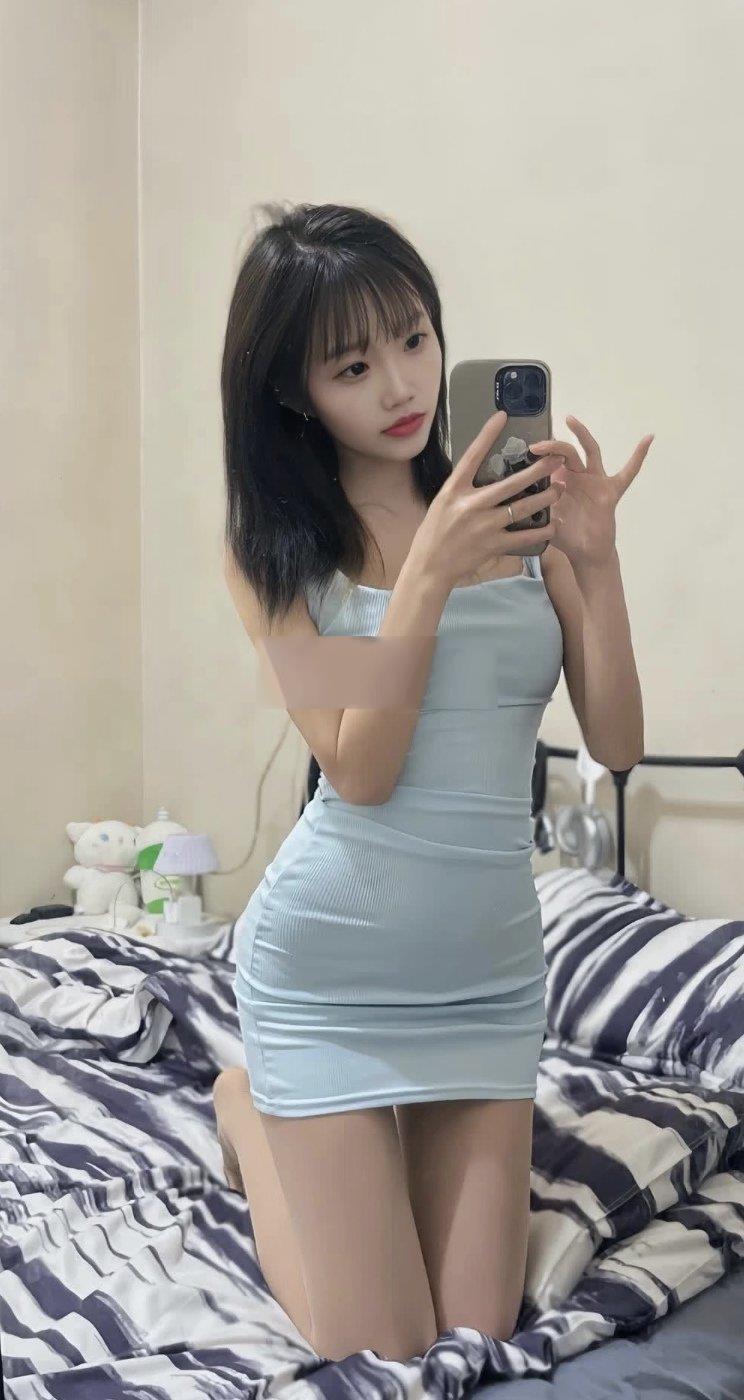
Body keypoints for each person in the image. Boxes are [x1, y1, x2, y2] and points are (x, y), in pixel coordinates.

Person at [213, 201, 565, 1364]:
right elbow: (357, 769)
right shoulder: (276, 551)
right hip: (328, 972)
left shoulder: (517, 515)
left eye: (414, 339)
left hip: (484, 979)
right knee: (383, 1348)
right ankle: (243, 1104)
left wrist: (591, 559)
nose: (402, 385)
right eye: (352, 366)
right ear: (292, 392)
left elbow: (614, 732)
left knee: (476, 1329)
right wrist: (426, 576)